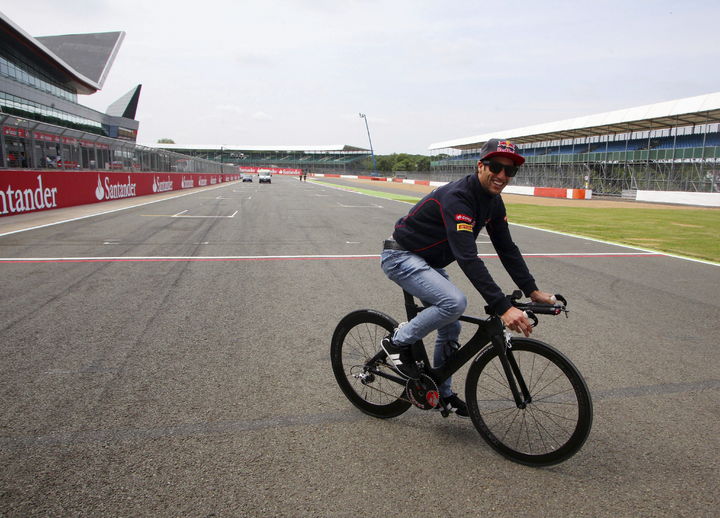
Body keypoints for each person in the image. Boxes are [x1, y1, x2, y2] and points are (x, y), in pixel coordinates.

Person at [380, 138, 557, 418]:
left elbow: (507, 248)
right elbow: (467, 256)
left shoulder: (493, 202)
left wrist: (532, 291)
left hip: (428, 261)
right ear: (480, 165)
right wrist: (502, 306)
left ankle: (442, 394)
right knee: (454, 303)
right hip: (401, 255)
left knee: (450, 327)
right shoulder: (458, 197)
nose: (502, 176)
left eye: (510, 171)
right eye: (496, 167)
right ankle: (396, 342)